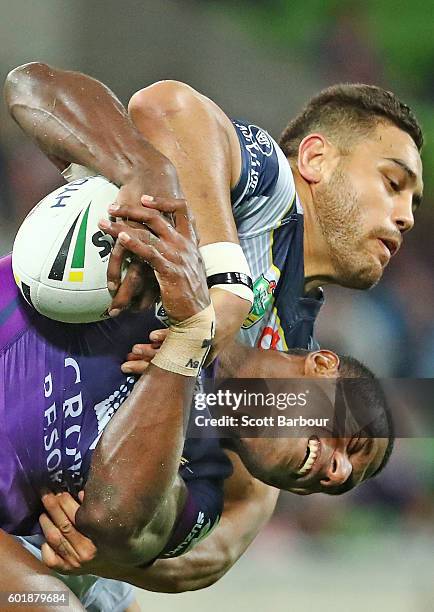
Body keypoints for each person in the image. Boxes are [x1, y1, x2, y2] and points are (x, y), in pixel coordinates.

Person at [4, 63, 424, 361]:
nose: (406, 217)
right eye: (392, 183)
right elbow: (169, 106)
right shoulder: (271, 193)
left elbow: (243, 487)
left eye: (414, 203)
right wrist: (228, 282)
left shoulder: (296, 346)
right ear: (315, 159)